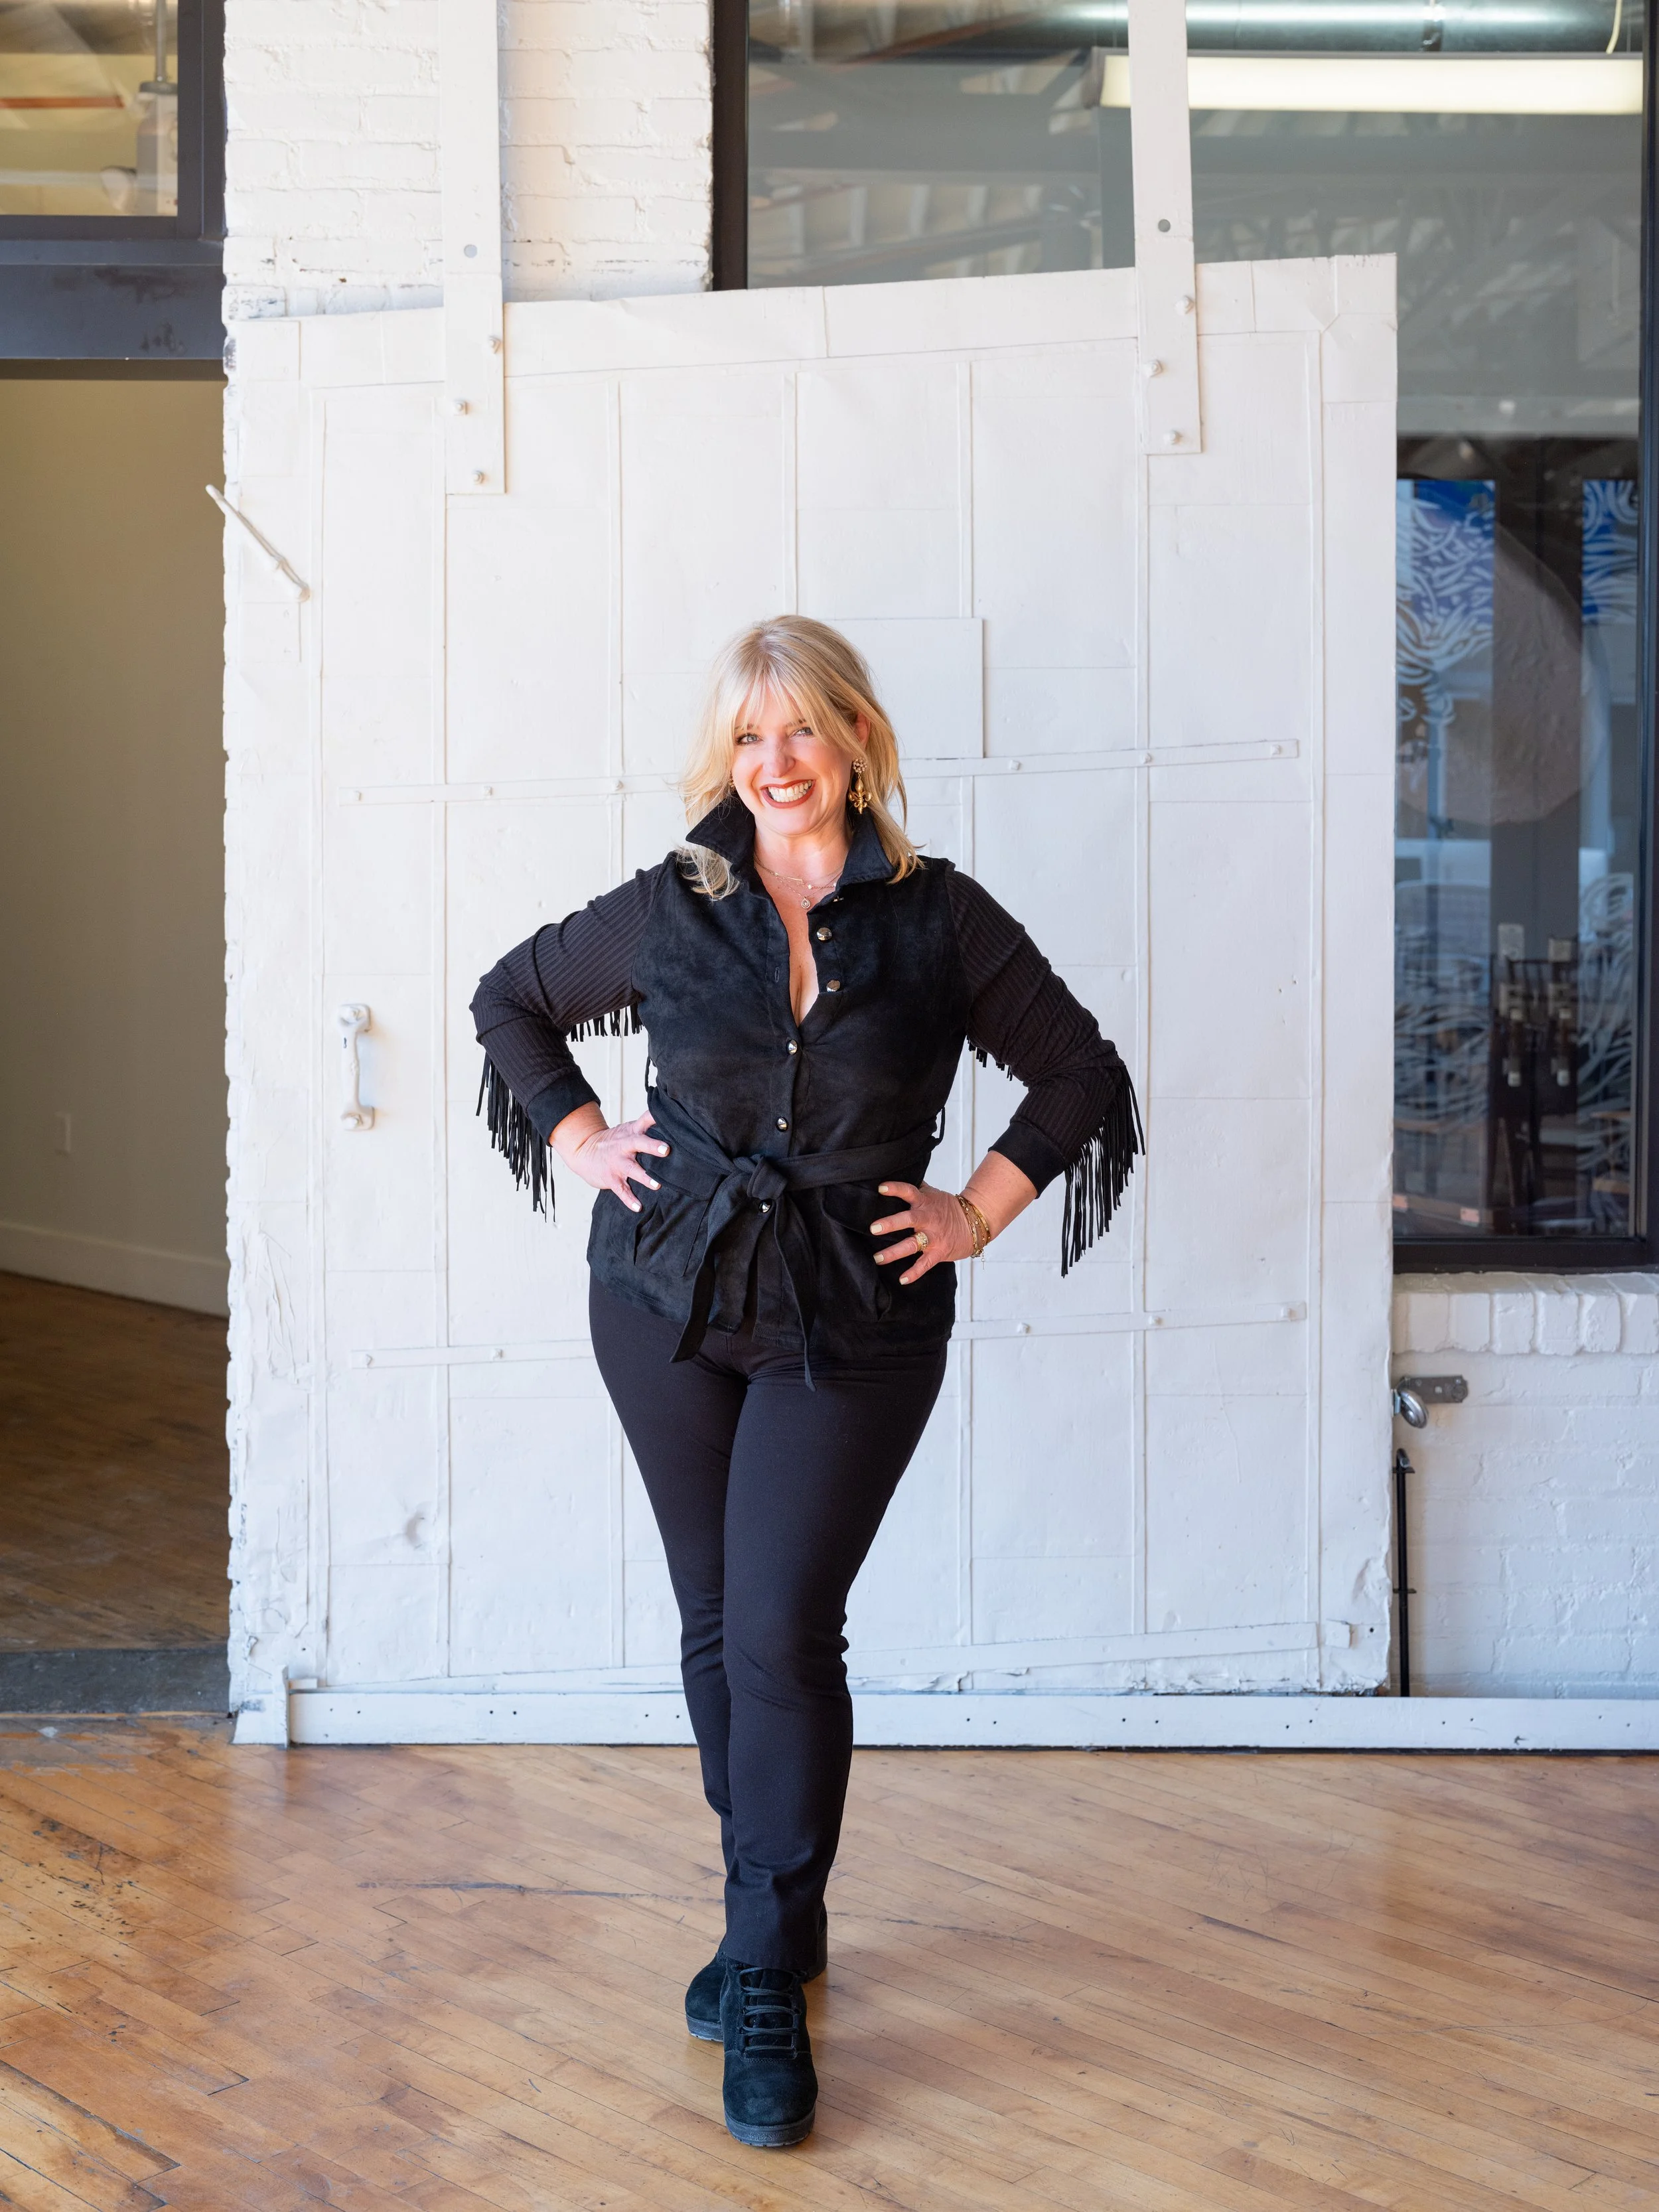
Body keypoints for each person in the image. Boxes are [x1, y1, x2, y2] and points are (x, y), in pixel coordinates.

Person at [470, 615, 1139, 2150]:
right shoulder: (672, 905)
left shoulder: (936, 919)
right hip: (662, 1300)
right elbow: (507, 997)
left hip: (854, 1317)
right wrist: (577, 1135)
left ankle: (761, 1965)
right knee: (715, 1621)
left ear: (853, 742)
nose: (776, 764)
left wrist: (974, 1206)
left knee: (778, 1625)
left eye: (803, 733)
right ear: (729, 758)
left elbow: (1079, 1073)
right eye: (747, 738)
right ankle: (774, 1900)